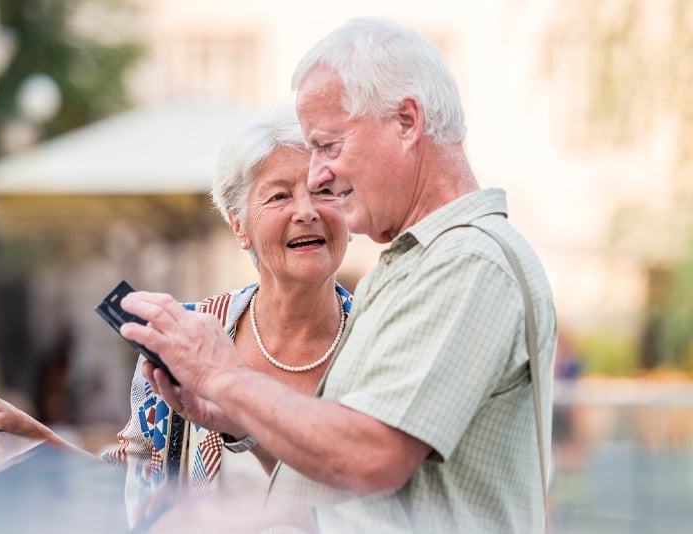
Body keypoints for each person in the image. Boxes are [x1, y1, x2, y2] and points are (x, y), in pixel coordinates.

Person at [120, 17, 558, 533]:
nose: (320, 175)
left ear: (407, 122)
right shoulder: (423, 263)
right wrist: (244, 427)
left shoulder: (465, 263)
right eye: (282, 194)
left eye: (328, 146)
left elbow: (371, 458)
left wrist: (224, 375)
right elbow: (352, 495)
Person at [0, 102, 352, 503]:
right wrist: (29, 436)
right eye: (280, 196)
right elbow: (130, 492)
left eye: (324, 191)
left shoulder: (383, 335)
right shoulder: (182, 340)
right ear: (239, 226)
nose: (307, 211)